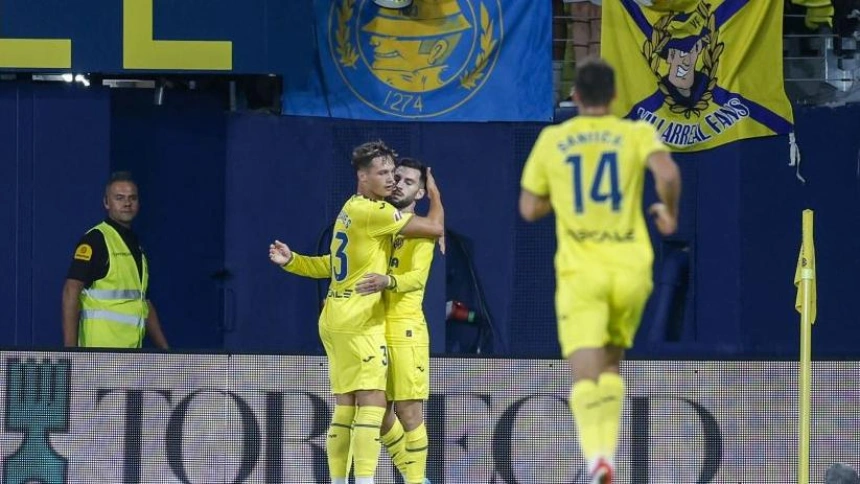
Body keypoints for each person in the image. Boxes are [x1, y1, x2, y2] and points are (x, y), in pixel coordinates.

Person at [518, 58, 681, 484]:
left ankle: (596, 460)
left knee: (585, 376)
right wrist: (669, 213)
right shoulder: (635, 132)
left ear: (574, 96)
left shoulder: (554, 139)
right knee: (611, 366)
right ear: (614, 96)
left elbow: (529, 208)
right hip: (631, 269)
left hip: (582, 273)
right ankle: (605, 458)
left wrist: (560, 197)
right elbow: (667, 173)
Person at [269, 142, 444, 484]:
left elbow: (343, 267)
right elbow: (435, 227)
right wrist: (438, 203)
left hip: (392, 325)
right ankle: (375, 480)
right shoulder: (379, 215)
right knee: (374, 407)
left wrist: (293, 262)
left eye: (403, 179)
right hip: (363, 320)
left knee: (376, 409)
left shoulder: (353, 208)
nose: (394, 182)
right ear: (364, 177)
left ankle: (408, 479)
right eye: (388, 174)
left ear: (420, 192)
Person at [61, 171, 169, 349]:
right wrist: (70, 351)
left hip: (130, 351)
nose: (127, 203)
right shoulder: (96, 240)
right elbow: (71, 291)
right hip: (98, 352)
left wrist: (165, 352)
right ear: (106, 202)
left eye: (132, 198)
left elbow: (143, 302)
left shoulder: (136, 246)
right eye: (119, 198)